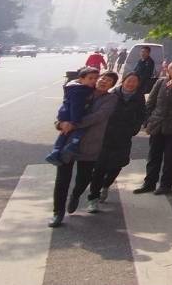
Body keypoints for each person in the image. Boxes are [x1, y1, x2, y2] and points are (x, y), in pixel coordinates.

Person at [49, 70, 117, 227]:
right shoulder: (81, 91)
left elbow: (98, 117)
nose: (103, 81)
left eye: (109, 81)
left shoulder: (111, 99)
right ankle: (58, 212)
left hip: (90, 144)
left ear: (112, 86)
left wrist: (73, 124)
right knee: (62, 180)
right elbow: (65, 109)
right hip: (69, 143)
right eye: (102, 78)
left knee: (84, 178)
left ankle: (76, 194)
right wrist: (60, 123)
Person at [86, 72, 147, 212]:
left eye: (134, 81)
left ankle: (106, 185)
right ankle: (93, 198)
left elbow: (141, 115)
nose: (131, 84)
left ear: (137, 84)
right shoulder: (112, 95)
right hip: (105, 137)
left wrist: (134, 129)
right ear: (123, 81)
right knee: (99, 168)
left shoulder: (139, 98)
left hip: (123, 138)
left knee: (116, 166)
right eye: (129, 80)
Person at [136, 59, 172, 195]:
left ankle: (166, 185)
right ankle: (149, 183)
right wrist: (147, 121)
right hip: (157, 124)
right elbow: (151, 102)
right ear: (168, 70)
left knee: (170, 158)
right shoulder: (160, 82)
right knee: (153, 156)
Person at [46, 67, 97, 164]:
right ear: (81, 79)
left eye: (95, 78)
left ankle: (55, 152)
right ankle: (71, 147)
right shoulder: (80, 91)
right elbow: (76, 107)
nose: (94, 81)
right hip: (71, 116)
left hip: (65, 114)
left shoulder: (75, 87)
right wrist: (75, 122)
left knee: (63, 135)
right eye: (90, 78)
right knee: (77, 131)